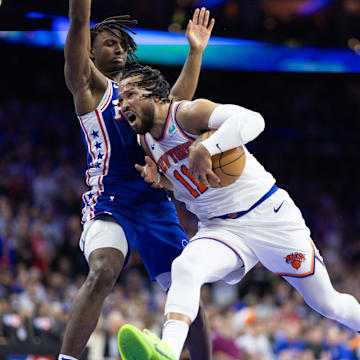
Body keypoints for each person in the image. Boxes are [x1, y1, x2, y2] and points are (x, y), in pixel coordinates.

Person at [116, 64, 360, 360]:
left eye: (130, 94)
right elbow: (188, 187)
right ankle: (167, 351)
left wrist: (208, 147)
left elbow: (253, 120)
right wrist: (162, 182)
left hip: (268, 216)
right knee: (186, 268)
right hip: (221, 229)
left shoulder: (187, 114)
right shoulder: (146, 143)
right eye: (119, 99)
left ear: (155, 95)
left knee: (327, 304)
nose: (123, 103)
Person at [60, 1, 215, 359]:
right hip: (112, 202)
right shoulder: (86, 87)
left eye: (122, 44)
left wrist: (195, 51)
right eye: (110, 43)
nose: (119, 48)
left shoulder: (137, 96)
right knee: (103, 270)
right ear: (89, 51)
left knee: (186, 293)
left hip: (156, 204)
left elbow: (177, 106)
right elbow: (79, 20)